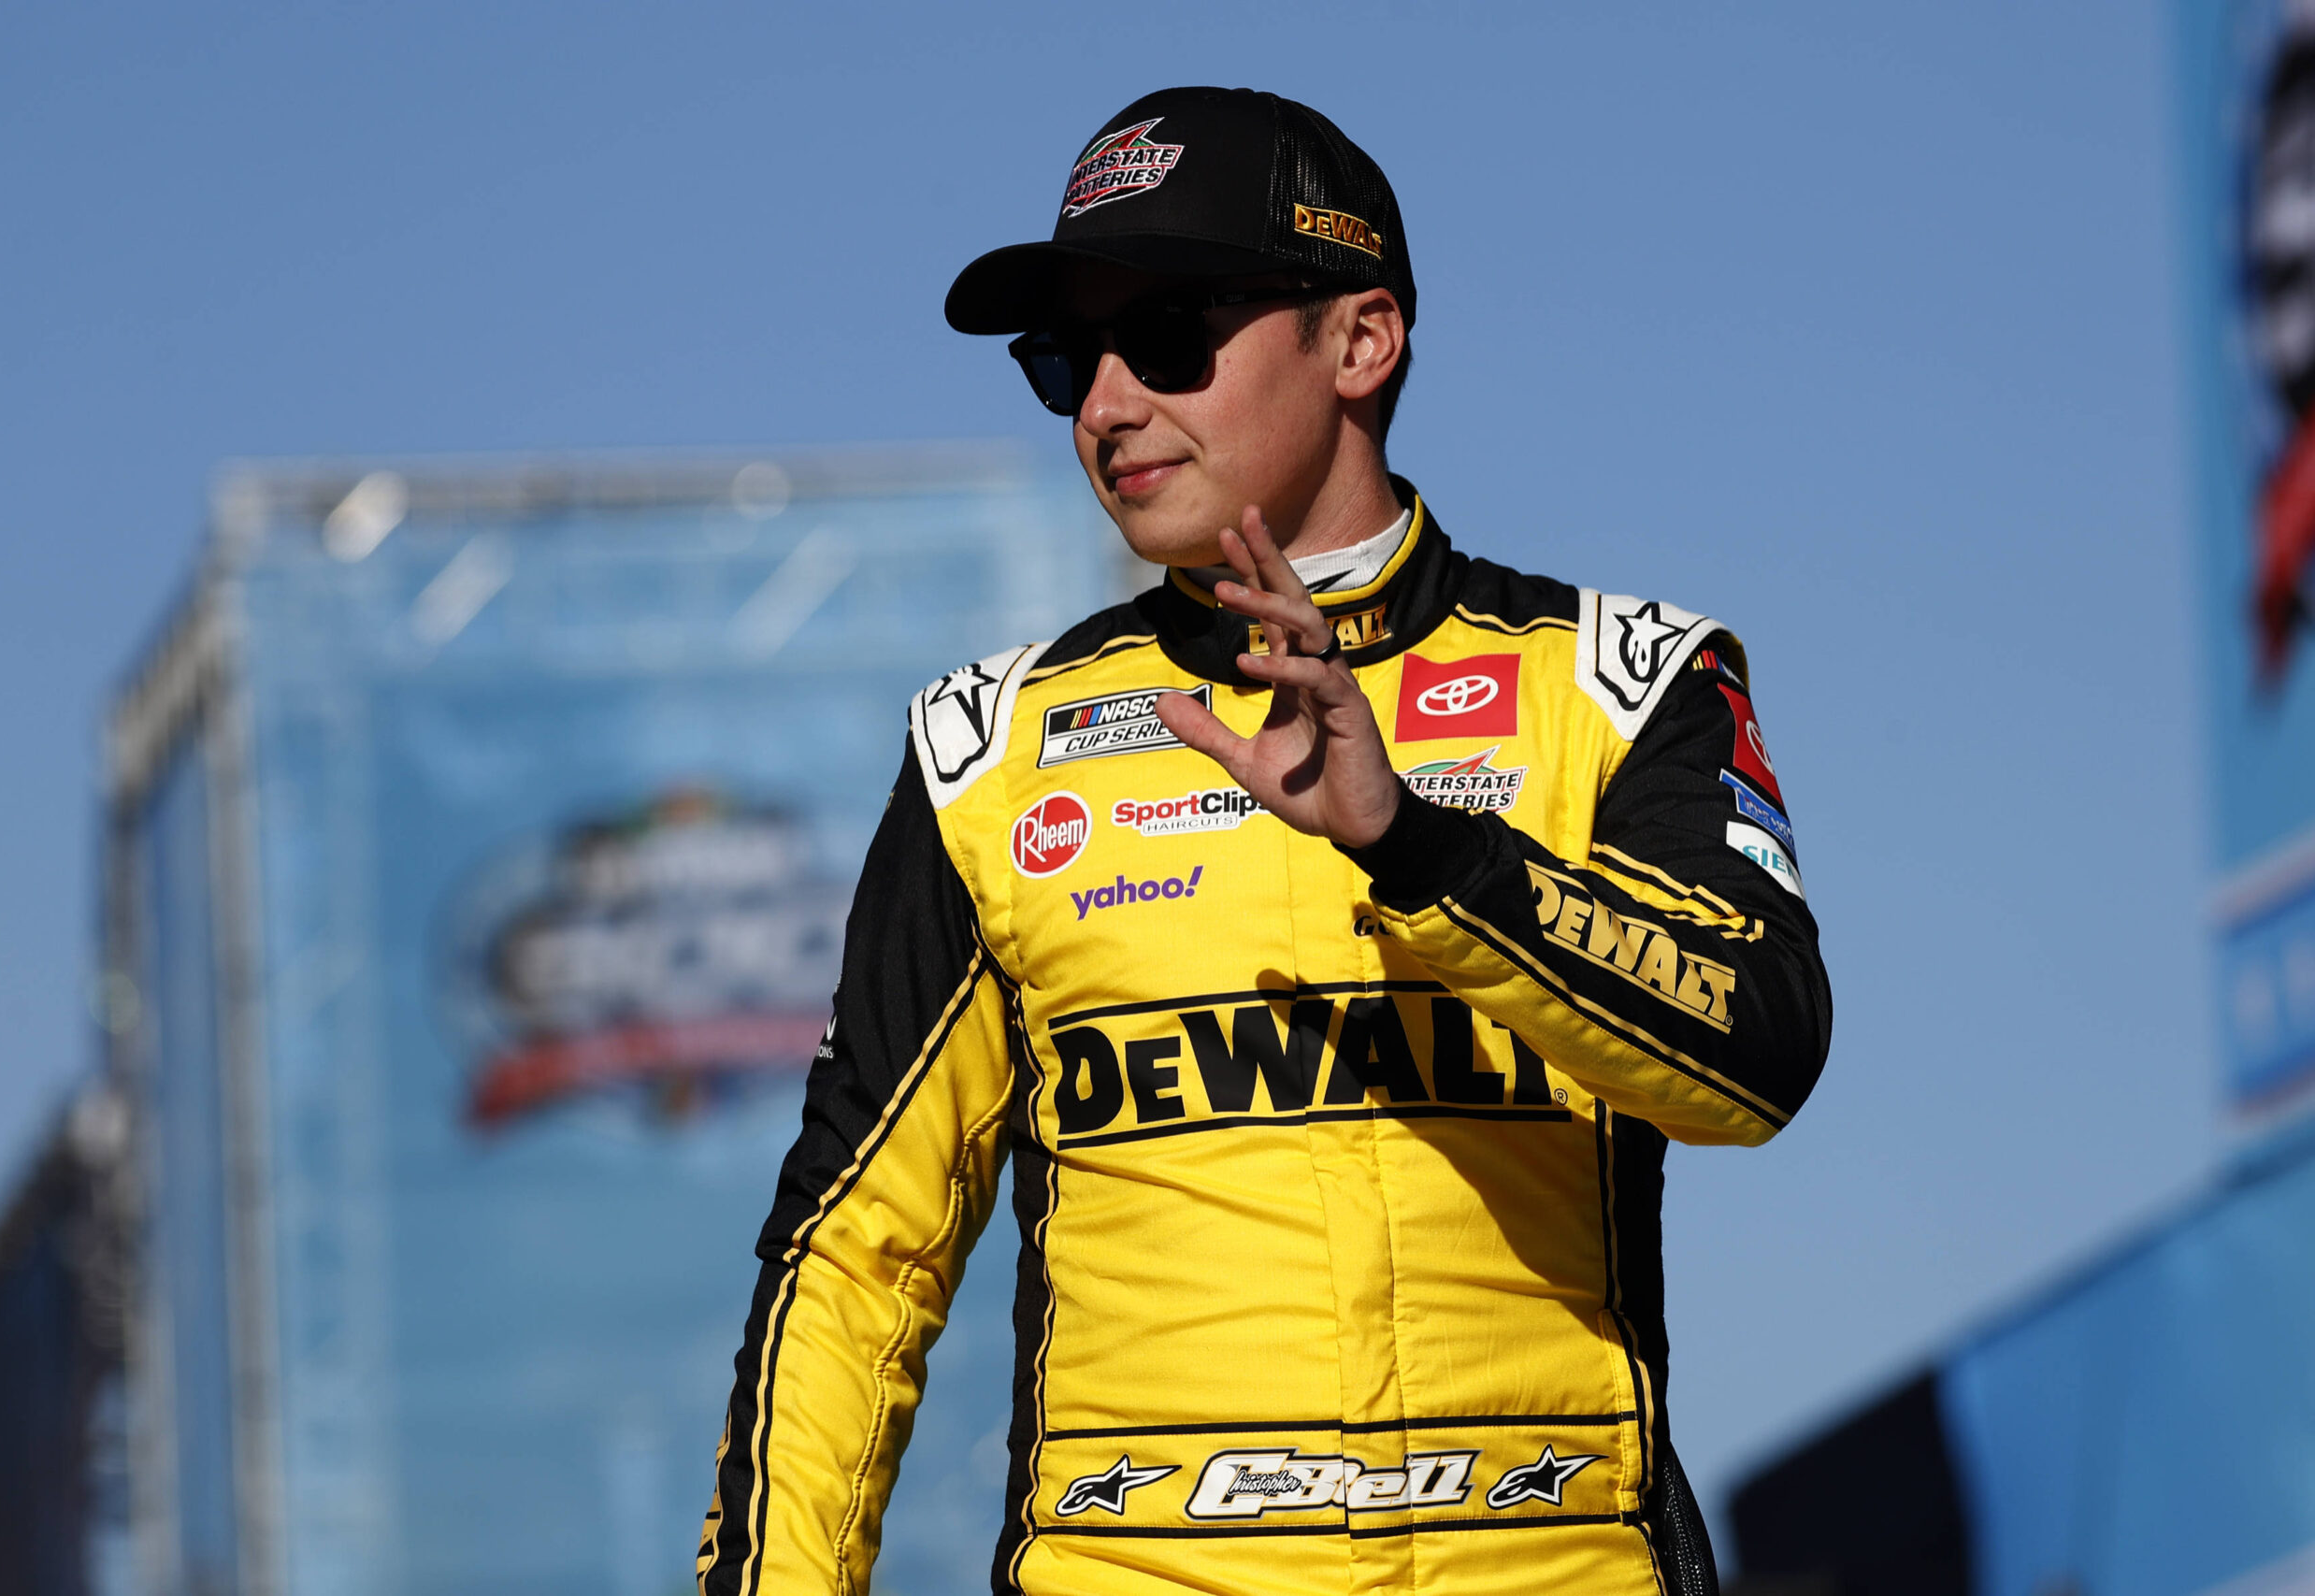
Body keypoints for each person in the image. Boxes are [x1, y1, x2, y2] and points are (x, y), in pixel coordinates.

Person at [699, 86, 1829, 1596]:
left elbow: (1757, 1052)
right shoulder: (988, 751)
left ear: (1362, 339)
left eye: (1166, 335)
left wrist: (1427, 854)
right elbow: (854, 1261)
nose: (1105, 406)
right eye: (1064, 359)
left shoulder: (1620, 685)